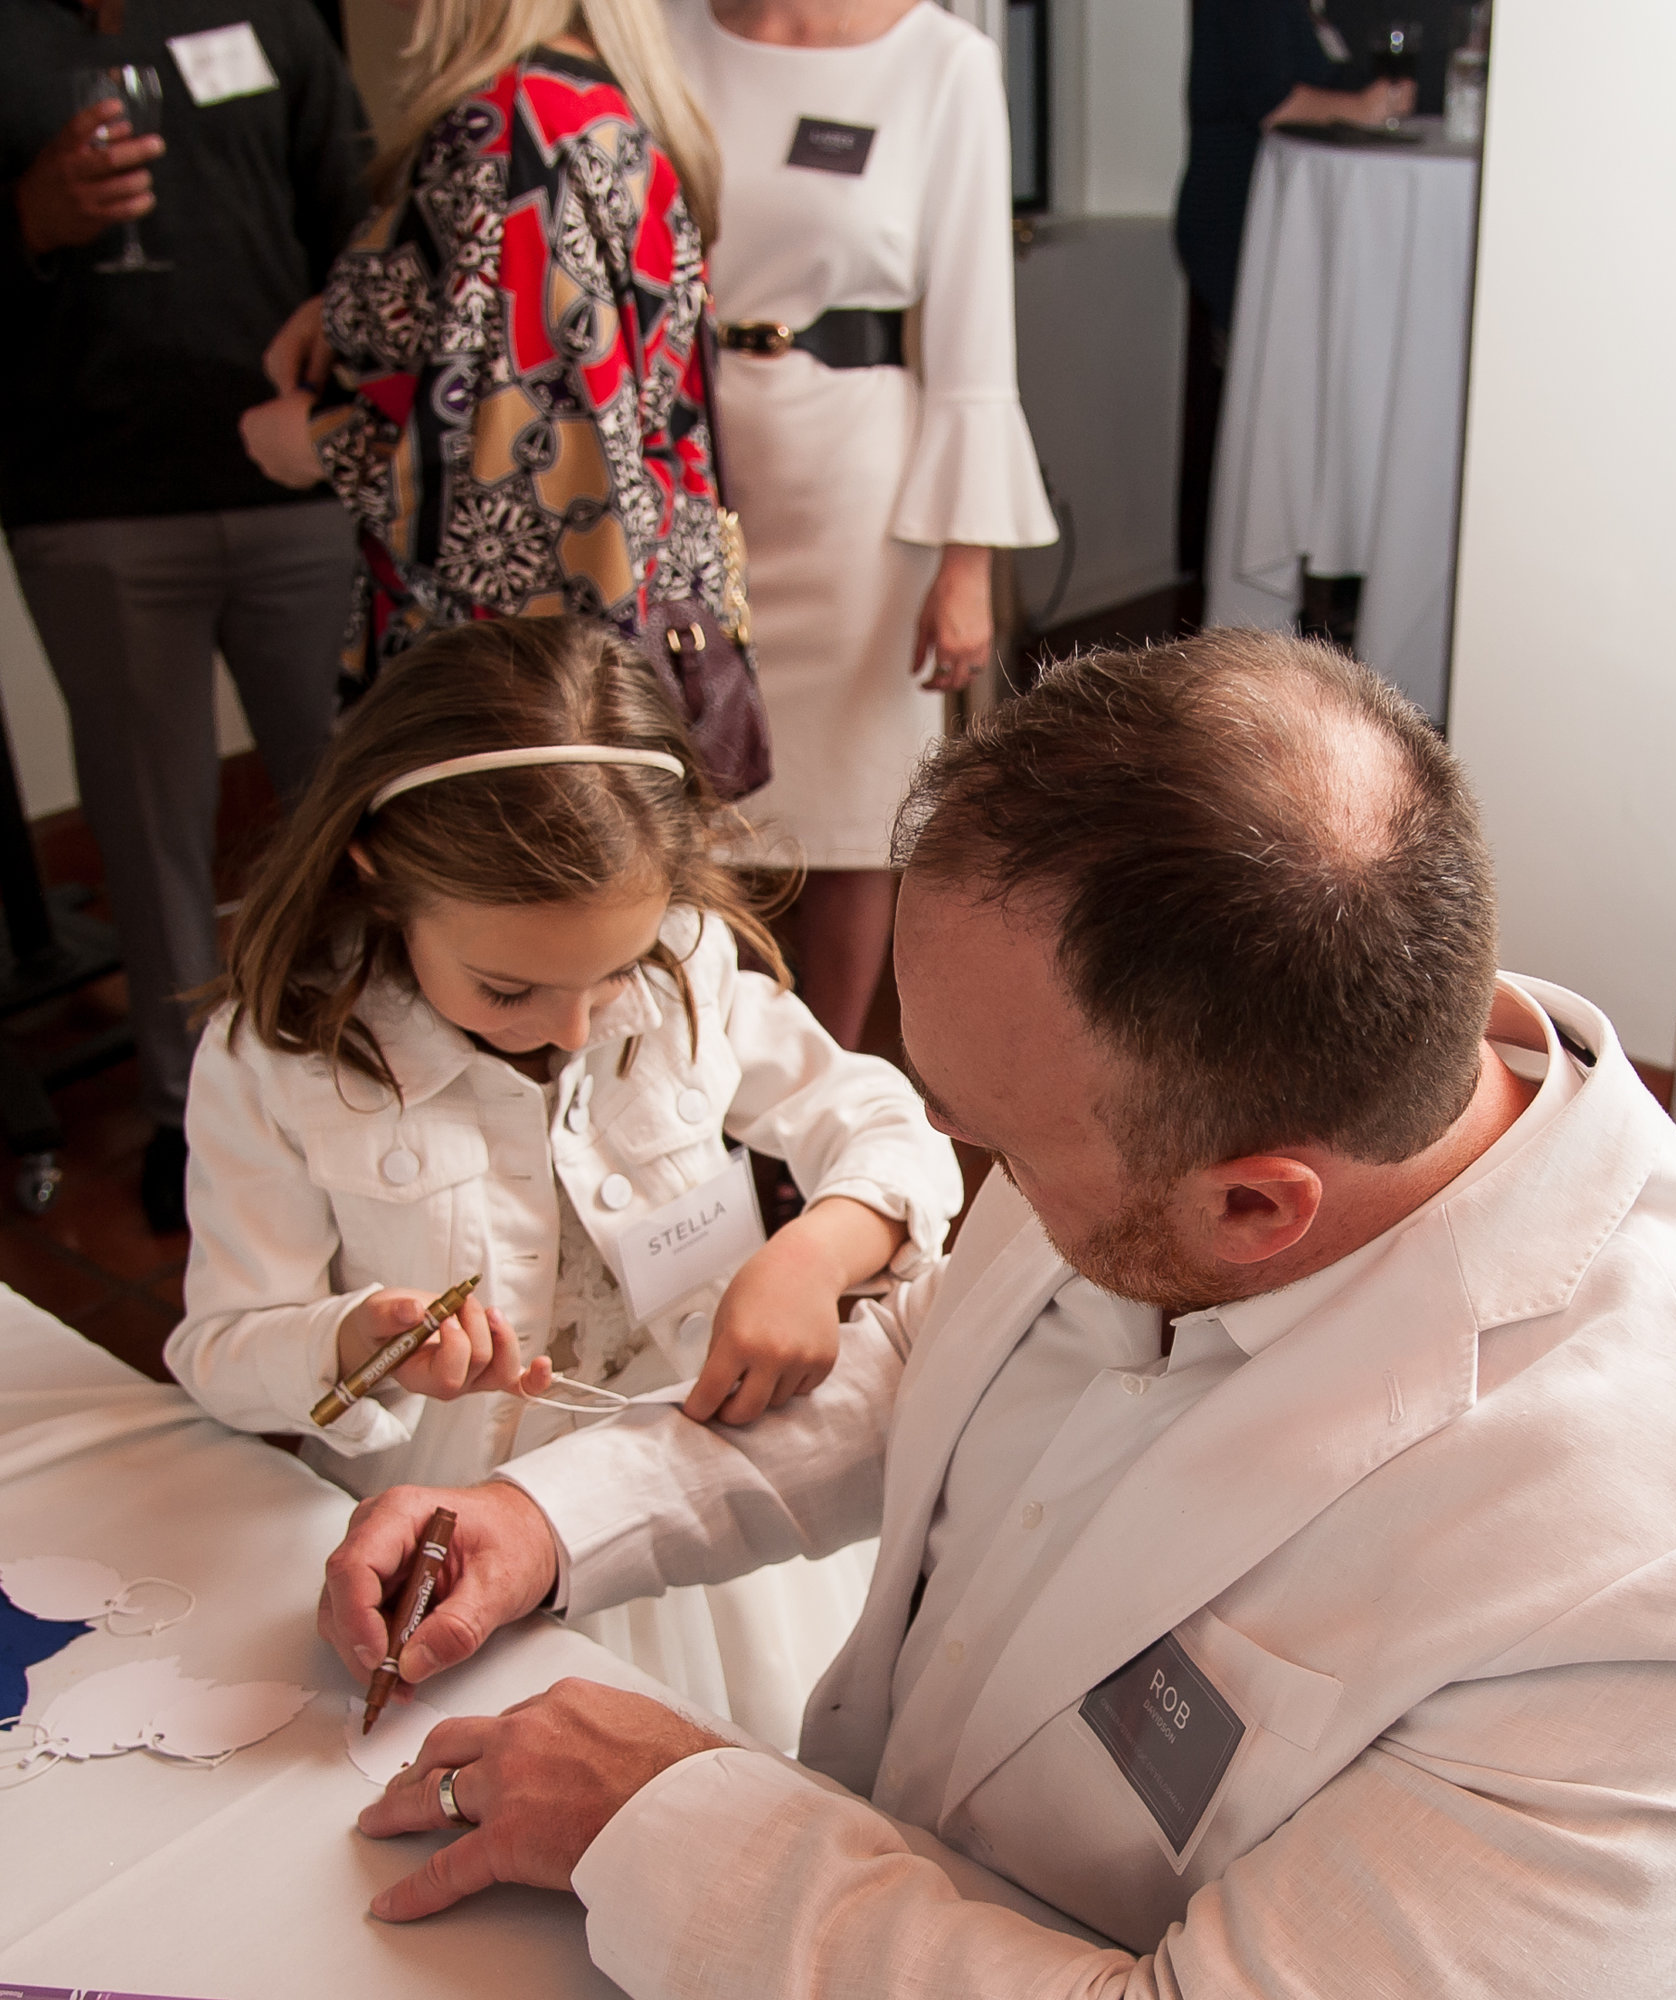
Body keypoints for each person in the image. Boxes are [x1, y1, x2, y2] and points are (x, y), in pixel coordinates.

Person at [314, 630, 1676, 2000]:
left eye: (994, 1148)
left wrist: (665, 1817)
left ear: (1260, 1209)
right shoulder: (1217, 1064)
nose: (960, 1181)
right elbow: (949, 1379)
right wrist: (563, 1510)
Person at [169, 614, 961, 1751]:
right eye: (508, 990)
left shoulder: (683, 962)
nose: (574, 1028)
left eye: (613, 972)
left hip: (692, 1502)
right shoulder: (280, 1060)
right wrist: (353, 1341)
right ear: (377, 870)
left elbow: (889, 1123)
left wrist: (818, 1248)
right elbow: (220, 1353)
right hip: (445, 1540)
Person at [0, 0, 373, 1236]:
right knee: (145, 817)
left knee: (352, 813)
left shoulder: (271, 15)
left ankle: (372, 1091)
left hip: (300, 487)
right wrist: (23, 222)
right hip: (90, 502)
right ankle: (190, 1120)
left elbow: (358, 227)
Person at [669, 0, 1057, 1054]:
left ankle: (817, 1083)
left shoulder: (943, 62)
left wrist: (965, 561)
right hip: (674, 460)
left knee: (848, 810)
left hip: (857, 487)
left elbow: (975, 334)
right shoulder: (660, 34)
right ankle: (694, 1075)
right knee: (679, 802)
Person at [239, 0, 739, 713]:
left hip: (511, 685)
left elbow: (531, 477)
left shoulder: (511, 126)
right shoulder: (603, 104)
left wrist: (317, 442)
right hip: (622, 631)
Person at [1174, 1, 1417, 584]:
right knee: (1265, 414)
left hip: (1272, 218)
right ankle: (1255, 594)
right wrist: (1364, 107)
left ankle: (1282, 587)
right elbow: (1276, 101)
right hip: (1235, 217)